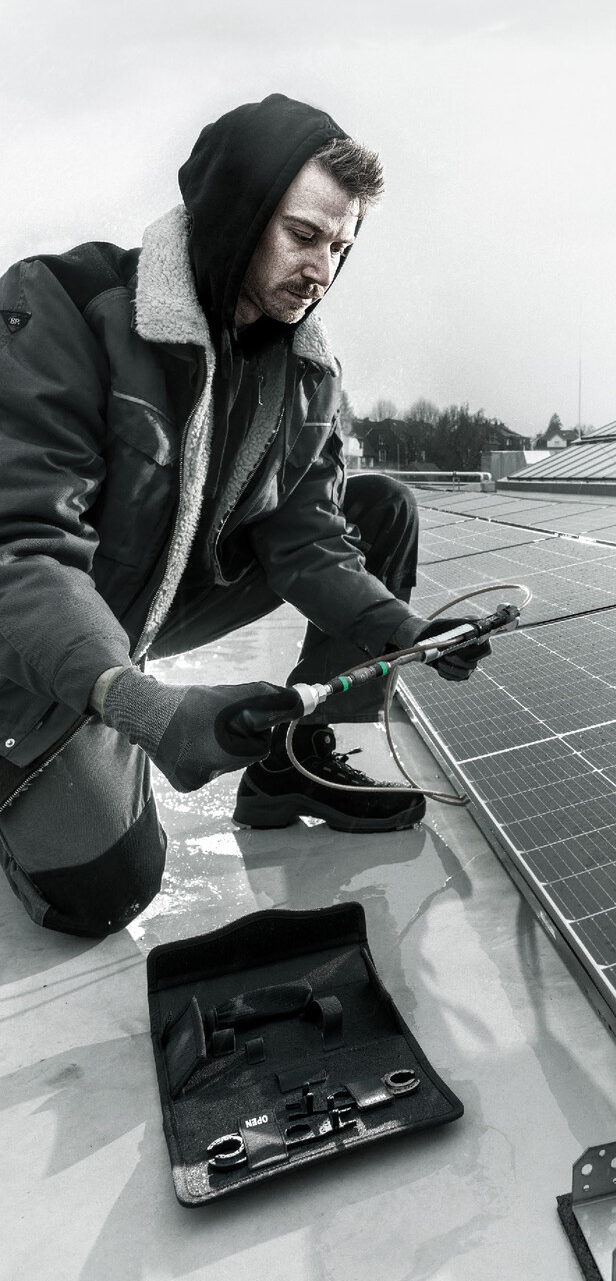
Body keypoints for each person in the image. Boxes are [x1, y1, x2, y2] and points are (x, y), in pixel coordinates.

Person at [0, 93, 487, 938]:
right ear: (235, 213)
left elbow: (309, 541)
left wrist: (404, 630)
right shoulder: (65, 307)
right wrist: (145, 707)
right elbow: (23, 551)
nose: (322, 269)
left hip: (150, 603)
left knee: (380, 509)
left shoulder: (305, 372)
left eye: (340, 247)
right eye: (304, 235)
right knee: (108, 890)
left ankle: (302, 765)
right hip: (33, 629)